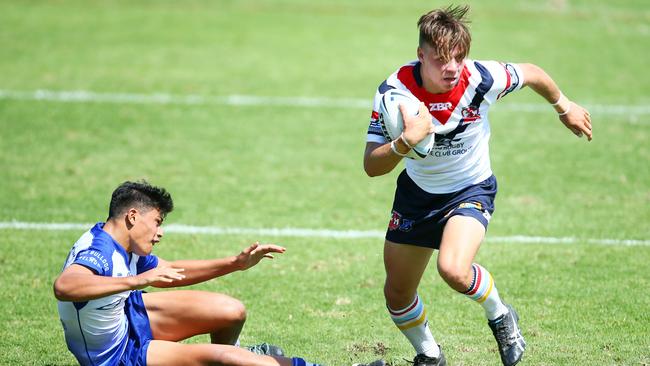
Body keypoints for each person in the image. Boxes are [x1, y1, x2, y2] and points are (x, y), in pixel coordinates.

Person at [364, 5, 592, 366]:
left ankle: (500, 314)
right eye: (440, 59)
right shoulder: (394, 94)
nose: (452, 67)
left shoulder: (482, 78)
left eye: (459, 57)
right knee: (396, 292)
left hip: (470, 189)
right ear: (420, 55)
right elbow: (371, 166)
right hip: (417, 196)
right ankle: (430, 355)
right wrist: (404, 143)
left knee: (453, 269)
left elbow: (531, 73)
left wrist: (563, 106)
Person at [54, 180, 384, 366]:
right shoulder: (98, 251)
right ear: (132, 217)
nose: (160, 232)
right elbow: (65, 285)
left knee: (230, 311)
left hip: (129, 320)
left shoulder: (121, 242)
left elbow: (171, 272)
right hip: (118, 357)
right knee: (229, 359)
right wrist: (138, 281)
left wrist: (234, 263)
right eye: (157, 222)